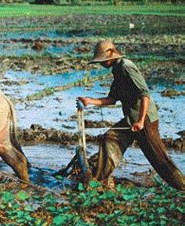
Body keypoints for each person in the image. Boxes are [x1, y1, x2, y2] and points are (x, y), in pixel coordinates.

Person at [78, 40, 184, 189]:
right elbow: (112, 99)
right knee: (110, 138)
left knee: (159, 159)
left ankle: (182, 186)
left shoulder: (126, 67)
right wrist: (90, 101)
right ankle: (101, 180)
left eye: (101, 60)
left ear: (110, 56)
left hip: (144, 120)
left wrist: (141, 121)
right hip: (131, 120)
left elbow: (144, 94)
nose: (100, 64)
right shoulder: (117, 71)